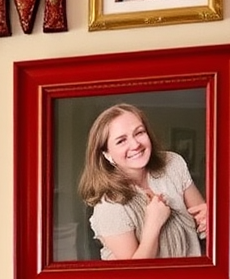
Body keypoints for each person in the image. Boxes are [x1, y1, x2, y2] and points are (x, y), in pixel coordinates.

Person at [78, 103, 207, 260]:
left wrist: (210, 217)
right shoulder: (109, 206)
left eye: (139, 133)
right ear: (106, 154)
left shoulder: (173, 163)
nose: (135, 144)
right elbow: (133, 276)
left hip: (195, 278)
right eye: (121, 141)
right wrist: (153, 223)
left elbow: (202, 221)